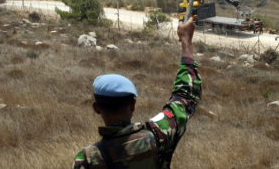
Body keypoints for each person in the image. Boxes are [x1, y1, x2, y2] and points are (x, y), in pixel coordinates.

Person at [72, 17, 201, 169]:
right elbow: (185, 96)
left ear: (96, 108)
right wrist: (186, 40)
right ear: (133, 105)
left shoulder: (85, 160)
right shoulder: (159, 134)